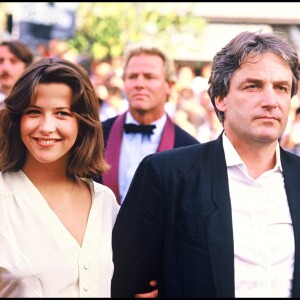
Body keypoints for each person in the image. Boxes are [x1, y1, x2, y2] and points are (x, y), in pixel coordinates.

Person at [111, 30, 300, 297]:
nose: (271, 101)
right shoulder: (167, 175)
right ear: (220, 98)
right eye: (253, 86)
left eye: (281, 88)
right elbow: (128, 279)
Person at [0, 57, 120, 297]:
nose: (46, 126)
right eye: (34, 112)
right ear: (17, 120)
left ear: (82, 123)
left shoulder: (105, 202)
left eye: (62, 114)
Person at [93, 43, 199, 204]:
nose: (139, 84)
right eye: (132, 76)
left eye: (149, 77)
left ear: (169, 85)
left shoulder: (189, 149)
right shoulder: (95, 137)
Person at [0, 40, 34, 108]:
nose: (5, 68)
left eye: (13, 61)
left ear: (27, 67)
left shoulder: (33, 102)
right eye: (0, 61)